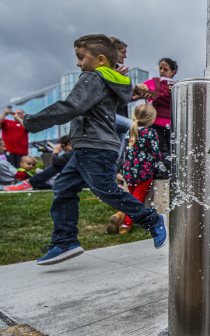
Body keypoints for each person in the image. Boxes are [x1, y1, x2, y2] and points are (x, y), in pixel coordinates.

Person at [21, 34, 167, 266]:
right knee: (63, 186)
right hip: (88, 146)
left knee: (106, 190)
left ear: (100, 59)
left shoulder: (92, 78)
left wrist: (30, 121)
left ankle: (152, 219)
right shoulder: (109, 80)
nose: (78, 63)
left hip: (95, 146)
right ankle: (65, 240)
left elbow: (70, 107)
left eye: (81, 57)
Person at [108, 104, 162, 235]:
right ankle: (126, 225)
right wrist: (158, 166)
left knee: (130, 197)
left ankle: (120, 215)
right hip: (144, 172)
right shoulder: (151, 133)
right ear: (151, 119)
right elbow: (156, 154)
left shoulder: (129, 131)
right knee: (137, 199)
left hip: (129, 171)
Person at [133, 58, 178, 157]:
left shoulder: (177, 86)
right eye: (160, 68)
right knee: (158, 154)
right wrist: (139, 88)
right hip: (156, 125)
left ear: (173, 71)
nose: (162, 71)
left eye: (165, 69)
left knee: (167, 155)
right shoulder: (154, 82)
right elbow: (135, 93)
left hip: (172, 127)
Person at [3, 135, 73, 191]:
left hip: (72, 182)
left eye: (63, 147)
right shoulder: (75, 153)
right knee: (37, 184)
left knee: (57, 166)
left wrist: (55, 152)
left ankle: (28, 183)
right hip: (72, 181)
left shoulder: (72, 152)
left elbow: (55, 162)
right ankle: (30, 183)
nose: (62, 150)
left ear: (69, 145)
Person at [109, 36, 133, 158]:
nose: (125, 56)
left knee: (118, 156)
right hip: (111, 115)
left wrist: (136, 96)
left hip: (121, 113)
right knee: (133, 126)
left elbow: (121, 97)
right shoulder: (103, 70)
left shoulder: (119, 70)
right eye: (123, 53)